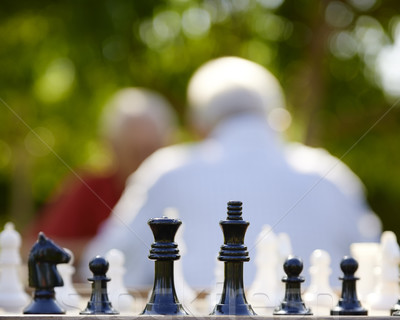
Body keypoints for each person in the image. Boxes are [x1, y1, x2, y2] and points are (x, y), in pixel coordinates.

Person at [81, 57, 381, 288]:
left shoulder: (166, 171)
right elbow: (380, 269)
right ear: (280, 120)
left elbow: (100, 266)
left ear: (199, 126)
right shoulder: (330, 176)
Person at [27, 88, 177, 261]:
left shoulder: (183, 190)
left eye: (151, 152)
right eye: (134, 153)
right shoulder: (90, 188)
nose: (144, 163)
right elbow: (33, 249)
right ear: (111, 148)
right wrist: (110, 250)